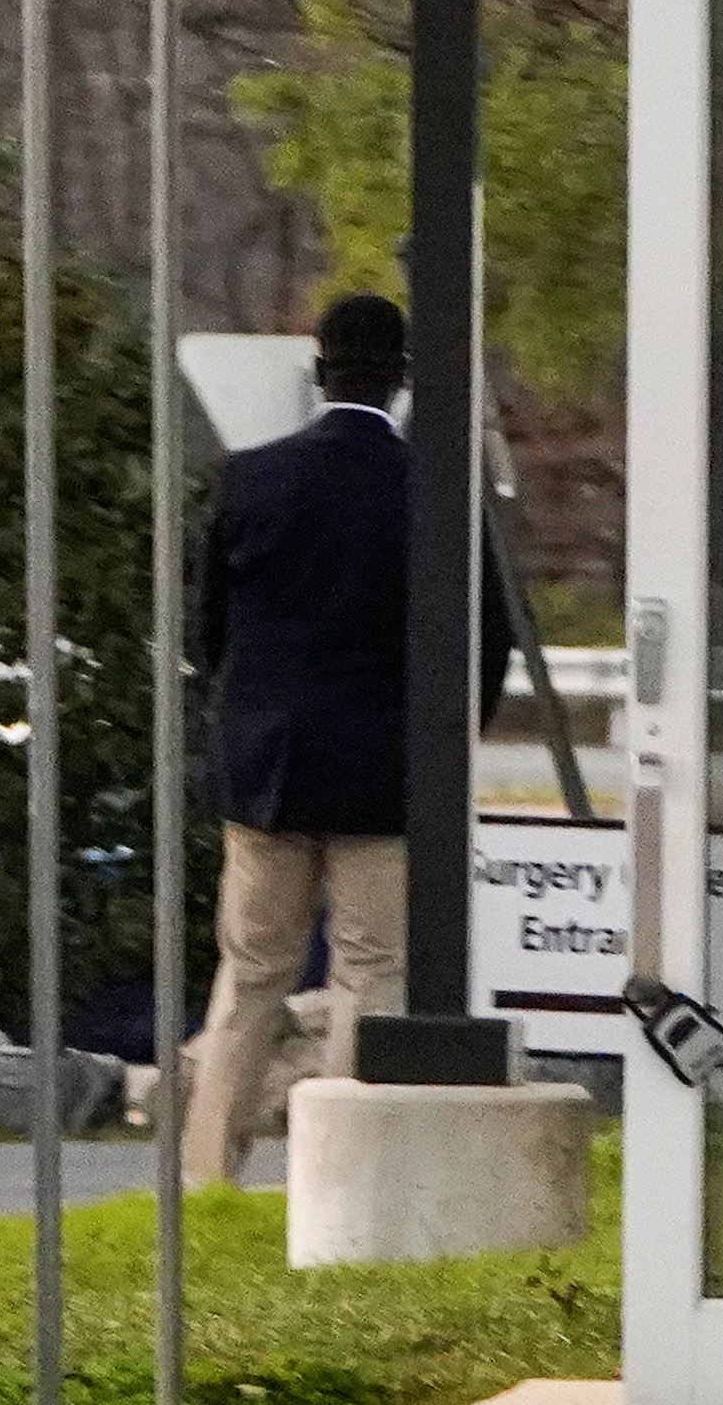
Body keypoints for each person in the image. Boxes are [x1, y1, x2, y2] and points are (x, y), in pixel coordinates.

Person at [183, 291, 502, 1187]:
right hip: (385, 777)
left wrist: (239, 720)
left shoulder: (249, 478)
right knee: (370, 972)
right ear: (399, 380)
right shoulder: (433, 489)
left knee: (251, 974)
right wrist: (447, 747)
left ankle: (207, 1175)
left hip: (268, 773)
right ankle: (340, 1183)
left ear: (318, 371)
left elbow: (208, 630)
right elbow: (485, 640)